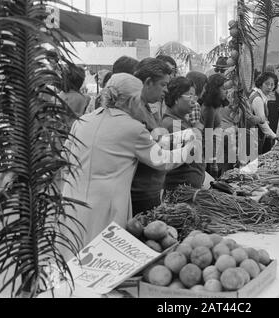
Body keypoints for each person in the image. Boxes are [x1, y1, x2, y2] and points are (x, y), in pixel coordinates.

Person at [61, 73, 190, 253]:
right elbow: (163, 161)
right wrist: (189, 147)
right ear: (132, 101)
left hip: (72, 201)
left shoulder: (83, 121)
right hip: (107, 205)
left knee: (73, 258)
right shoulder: (133, 128)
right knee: (103, 258)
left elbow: (64, 158)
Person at [127, 58, 172, 215]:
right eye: (163, 84)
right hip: (139, 194)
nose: (166, 90)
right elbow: (158, 157)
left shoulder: (148, 108)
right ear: (148, 82)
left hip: (151, 190)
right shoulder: (134, 112)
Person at [162, 77, 205, 190]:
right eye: (189, 96)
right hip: (181, 191)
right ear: (176, 98)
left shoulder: (181, 120)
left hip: (188, 189)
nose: (193, 101)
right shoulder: (173, 125)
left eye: (194, 97)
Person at [201, 73, 227, 178]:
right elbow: (208, 136)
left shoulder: (216, 106)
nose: (226, 92)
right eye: (223, 89)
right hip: (211, 153)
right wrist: (213, 162)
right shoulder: (209, 108)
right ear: (216, 90)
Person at [249, 72, 279, 154]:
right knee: (252, 163)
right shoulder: (258, 98)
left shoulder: (260, 95)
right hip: (252, 135)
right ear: (261, 84)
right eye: (267, 84)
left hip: (252, 134)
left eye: (272, 85)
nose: (269, 87)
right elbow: (262, 123)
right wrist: (274, 136)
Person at [60, 65, 91, 129]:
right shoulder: (85, 99)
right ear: (81, 81)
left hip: (61, 132)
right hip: (78, 131)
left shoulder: (61, 95)